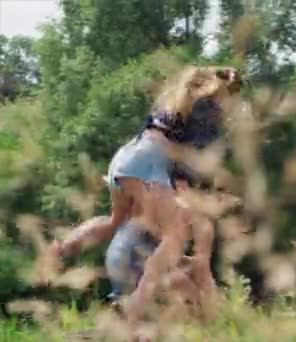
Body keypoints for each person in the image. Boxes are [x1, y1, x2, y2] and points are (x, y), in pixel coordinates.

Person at [52, 65, 243, 327]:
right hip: (150, 163)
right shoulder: (208, 109)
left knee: (114, 221)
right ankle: (134, 311)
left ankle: (62, 248)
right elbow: (191, 161)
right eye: (231, 98)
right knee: (174, 237)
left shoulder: (177, 98)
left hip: (127, 156)